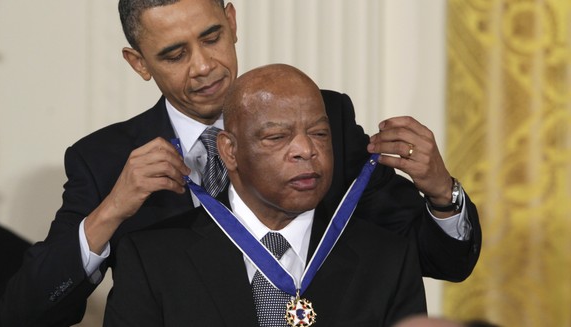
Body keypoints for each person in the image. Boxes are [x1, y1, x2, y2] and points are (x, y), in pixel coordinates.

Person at [0, 0, 480, 326]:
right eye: (174, 54)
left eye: (211, 37)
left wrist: (443, 195)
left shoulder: (322, 118)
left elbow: (436, 261)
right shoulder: (104, 159)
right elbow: (25, 313)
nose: (204, 65)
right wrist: (110, 211)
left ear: (232, 21)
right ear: (138, 62)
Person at [104, 63, 427, 327]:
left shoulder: (387, 259)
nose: (306, 150)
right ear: (229, 151)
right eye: (277, 136)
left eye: (319, 133)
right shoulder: (154, 259)